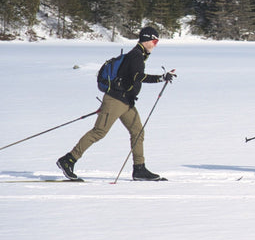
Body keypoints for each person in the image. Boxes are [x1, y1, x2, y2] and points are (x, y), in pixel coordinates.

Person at [57, 25, 176, 181]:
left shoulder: (139, 55)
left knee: (137, 131)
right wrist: (160, 78)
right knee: (99, 132)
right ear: (146, 39)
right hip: (115, 101)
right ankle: (68, 160)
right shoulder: (135, 56)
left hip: (126, 102)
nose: (155, 44)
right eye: (154, 40)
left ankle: (139, 169)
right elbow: (137, 77)